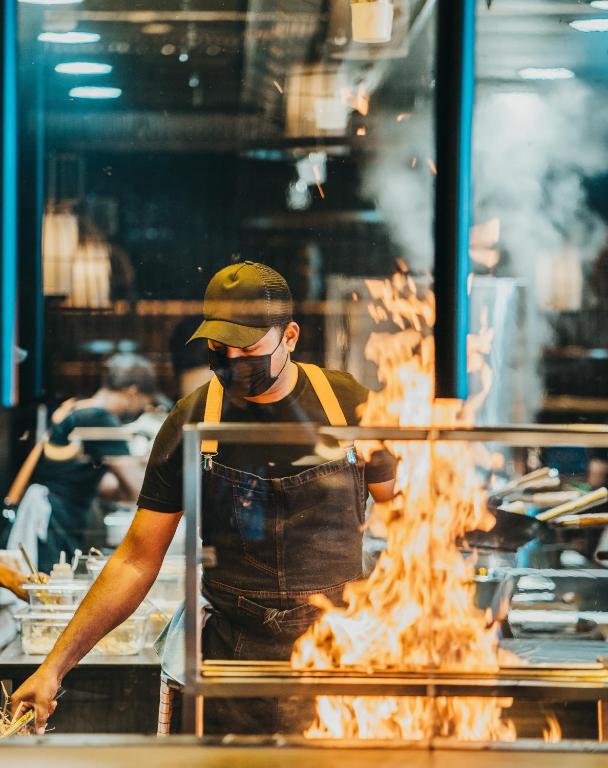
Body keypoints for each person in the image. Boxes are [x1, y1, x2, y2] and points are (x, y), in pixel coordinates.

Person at [12, 261, 395, 734]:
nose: (234, 359)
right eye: (220, 347)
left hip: (340, 654)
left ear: (290, 336)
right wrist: (53, 668)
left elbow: (409, 514)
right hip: (229, 668)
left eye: (249, 346)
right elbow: (135, 560)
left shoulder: (347, 404)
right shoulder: (192, 421)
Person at [12, 353, 161, 572]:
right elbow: (137, 490)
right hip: (53, 522)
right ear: (132, 392)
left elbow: (99, 485)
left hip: (56, 518)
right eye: (144, 402)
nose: (141, 409)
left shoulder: (77, 408)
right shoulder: (99, 419)